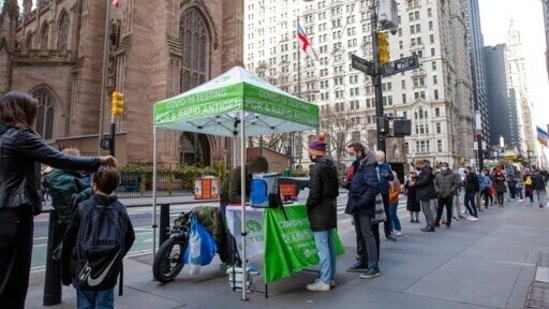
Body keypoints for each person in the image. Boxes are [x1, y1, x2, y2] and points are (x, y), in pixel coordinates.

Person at [0, 90, 117, 309]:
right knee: (14, 285)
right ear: (22, 111)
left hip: (4, 215)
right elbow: (60, 158)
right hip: (15, 216)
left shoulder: (3, 137)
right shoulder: (19, 137)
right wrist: (98, 161)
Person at [61, 165, 135, 308]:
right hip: (108, 270)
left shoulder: (83, 207)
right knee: (105, 304)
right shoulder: (120, 209)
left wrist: (65, 273)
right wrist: (116, 257)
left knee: (85, 304)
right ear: (115, 186)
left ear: (94, 185)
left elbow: (68, 241)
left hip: (83, 268)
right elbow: (130, 237)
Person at [304, 133, 339, 292]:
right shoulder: (331, 166)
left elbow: (315, 192)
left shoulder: (317, 168)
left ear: (314, 153)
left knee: (322, 247)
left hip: (319, 211)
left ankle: (324, 280)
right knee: (329, 245)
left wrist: (308, 205)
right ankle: (329, 277)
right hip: (330, 208)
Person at [44, 148, 94, 259]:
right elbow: (73, 202)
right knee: (71, 259)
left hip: (68, 222)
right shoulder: (65, 179)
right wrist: (92, 190)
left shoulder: (64, 176)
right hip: (69, 224)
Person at [218, 155, 268, 266]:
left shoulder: (255, 175)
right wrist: (251, 200)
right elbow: (232, 195)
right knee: (231, 229)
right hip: (227, 201)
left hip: (243, 202)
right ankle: (231, 260)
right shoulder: (237, 172)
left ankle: (241, 258)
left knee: (244, 230)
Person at [343, 143, 380, 273]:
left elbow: (373, 187)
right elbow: (359, 185)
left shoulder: (367, 166)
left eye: (352, 153)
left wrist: (362, 202)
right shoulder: (360, 166)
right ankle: (363, 261)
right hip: (358, 203)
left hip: (362, 205)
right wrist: (347, 185)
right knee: (360, 234)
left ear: (359, 152)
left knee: (367, 234)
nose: (351, 156)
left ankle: (373, 265)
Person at [408, 159, 437, 232]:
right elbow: (422, 179)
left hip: (425, 193)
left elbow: (424, 181)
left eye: (416, 166)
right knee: (425, 210)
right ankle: (429, 225)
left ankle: (430, 225)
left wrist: (414, 183)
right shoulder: (424, 171)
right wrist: (415, 177)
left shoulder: (426, 171)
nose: (416, 167)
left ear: (419, 164)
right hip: (424, 192)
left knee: (427, 210)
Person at [375, 151, 397, 241]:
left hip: (384, 192)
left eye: (382, 157)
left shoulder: (386, 166)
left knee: (386, 213)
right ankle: (376, 232)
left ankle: (388, 232)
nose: (381, 158)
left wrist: (388, 175)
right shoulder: (373, 166)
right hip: (376, 192)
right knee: (376, 214)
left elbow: (391, 177)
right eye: (380, 157)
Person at [433, 162, 459, 228]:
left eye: (444, 166)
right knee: (439, 209)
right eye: (442, 166)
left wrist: (451, 190)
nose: (443, 167)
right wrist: (437, 190)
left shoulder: (452, 175)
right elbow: (435, 184)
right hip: (440, 194)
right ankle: (437, 222)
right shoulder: (438, 175)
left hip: (449, 195)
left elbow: (456, 183)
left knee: (449, 209)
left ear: (447, 167)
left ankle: (448, 222)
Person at [388, 170, 402, 236]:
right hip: (388, 199)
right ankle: (391, 228)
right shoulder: (387, 180)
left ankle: (398, 228)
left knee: (392, 214)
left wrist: (391, 196)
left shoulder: (396, 181)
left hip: (393, 200)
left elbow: (398, 190)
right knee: (389, 215)